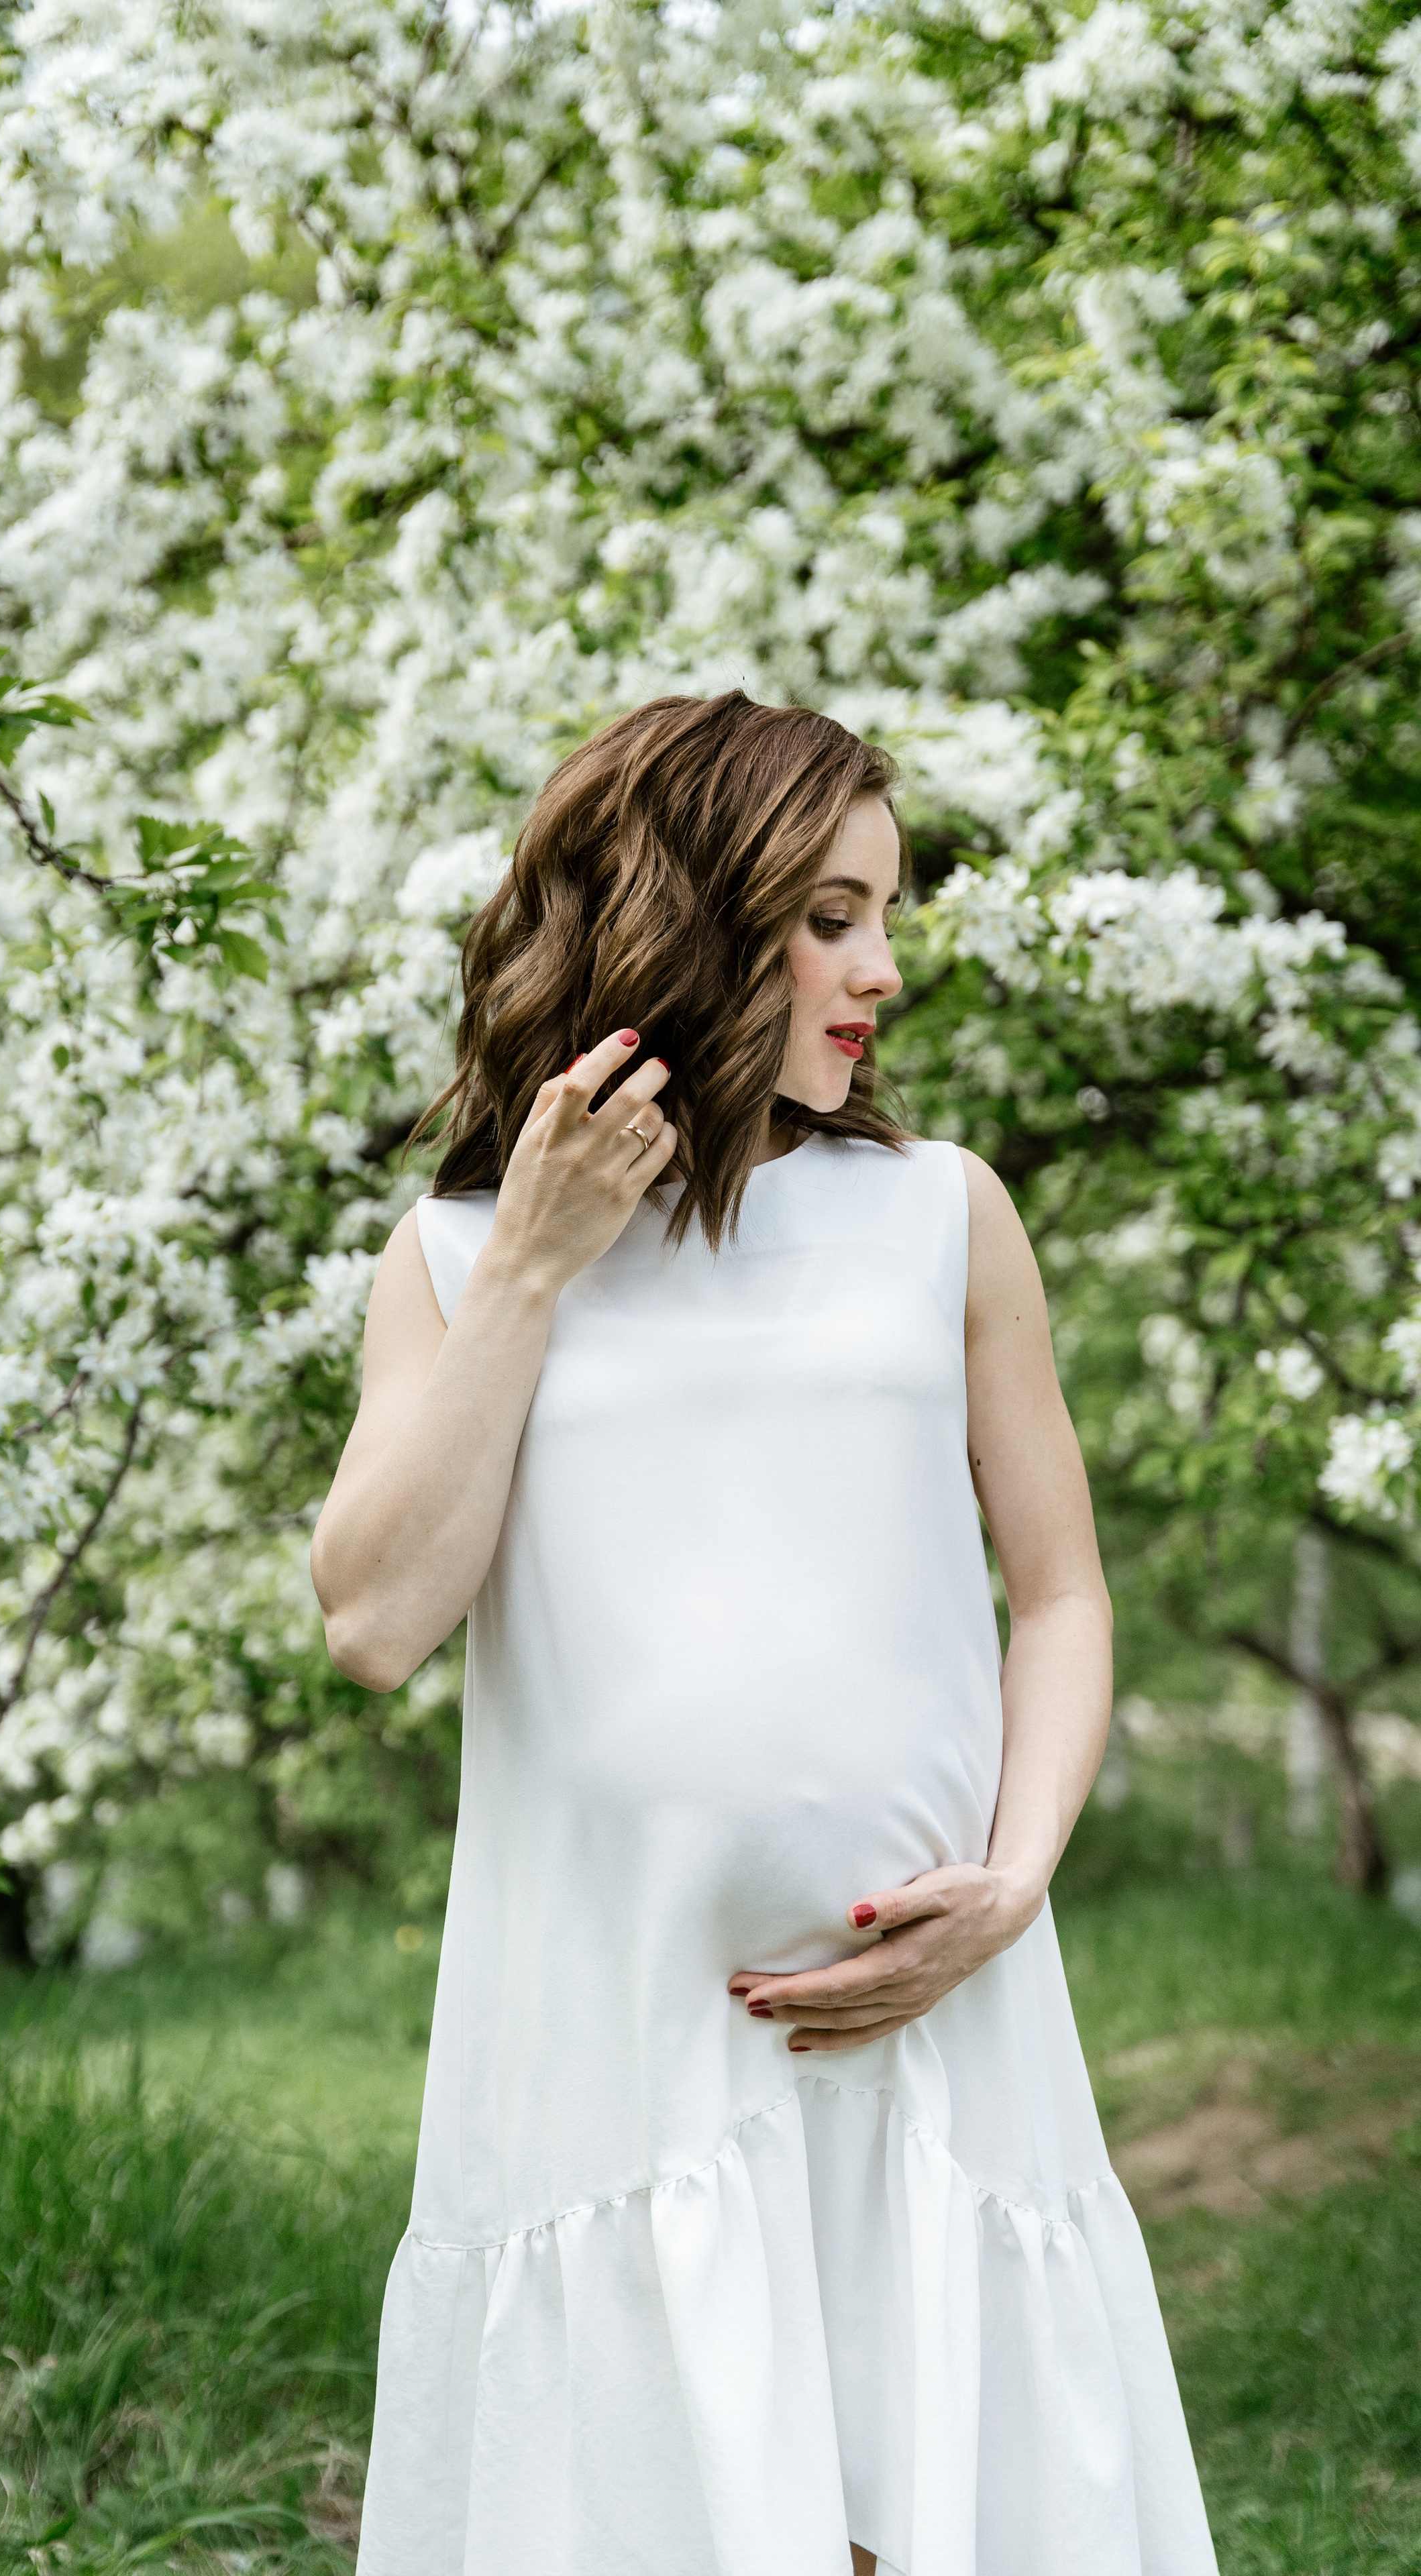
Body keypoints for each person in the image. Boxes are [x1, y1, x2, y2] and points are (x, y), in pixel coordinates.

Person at [311, 692, 1218, 2576]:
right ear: (684, 918)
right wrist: (542, 1266)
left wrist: (1019, 1876)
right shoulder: (459, 1265)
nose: (876, 967)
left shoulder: (939, 1217)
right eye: (825, 917)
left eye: (882, 914)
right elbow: (379, 1620)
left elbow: (1058, 1592)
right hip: (615, 2045)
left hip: (929, 2023)